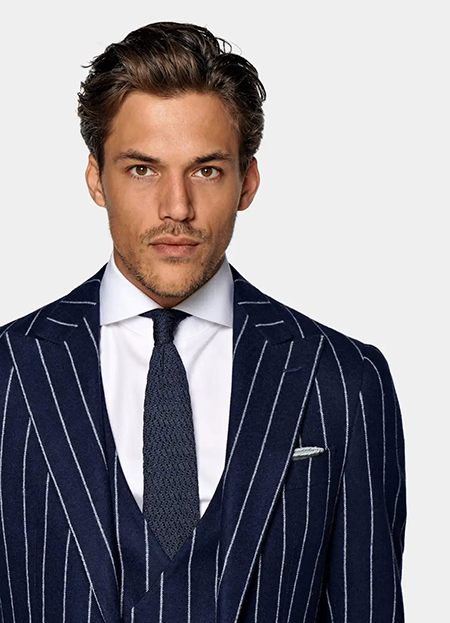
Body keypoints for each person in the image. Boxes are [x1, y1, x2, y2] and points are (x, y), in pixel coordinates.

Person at [0, 21, 406, 623]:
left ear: (247, 182)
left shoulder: (343, 378)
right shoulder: (9, 370)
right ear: (95, 179)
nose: (177, 208)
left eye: (206, 170)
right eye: (142, 169)